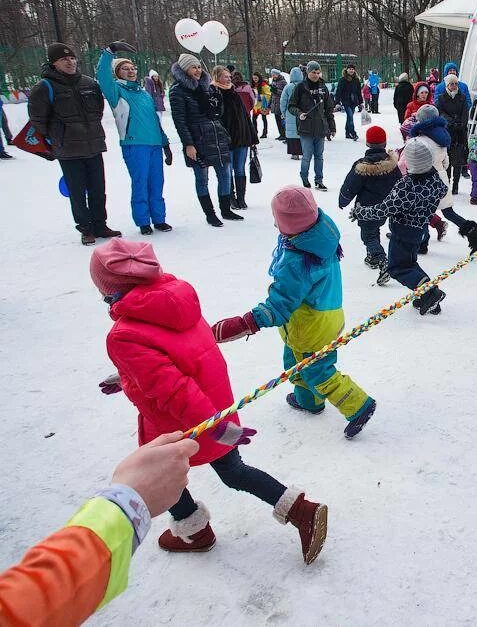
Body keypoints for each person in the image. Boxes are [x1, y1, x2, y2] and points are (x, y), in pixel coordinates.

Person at [91, 238, 329, 564]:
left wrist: (219, 429)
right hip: (214, 405)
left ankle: (196, 530)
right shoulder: (174, 298)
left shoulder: (125, 333)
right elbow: (177, 358)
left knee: (162, 474)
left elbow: (174, 389)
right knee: (233, 472)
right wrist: (127, 375)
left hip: (181, 423)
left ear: (111, 289)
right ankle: (299, 511)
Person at [212, 186, 378, 437]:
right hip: (325, 314)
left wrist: (247, 322)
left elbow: (280, 303)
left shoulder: (297, 260)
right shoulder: (320, 234)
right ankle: (309, 401)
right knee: (293, 361)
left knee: (315, 368)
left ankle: (358, 404)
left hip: (309, 324)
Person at [0, 432, 198, 625]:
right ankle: (196, 528)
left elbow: (27, 606)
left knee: (219, 474)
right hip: (163, 443)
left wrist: (128, 503)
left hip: (171, 444)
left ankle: (196, 529)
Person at [28, 42, 121, 245]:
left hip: (93, 145)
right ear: (54, 63)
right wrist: (56, 137)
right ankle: (85, 228)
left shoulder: (88, 83)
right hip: (68, 149)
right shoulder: (44, 87)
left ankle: (100, 224)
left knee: (98, 188)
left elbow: (98, 108)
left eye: (72, 58)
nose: (70, 62)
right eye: (64, 59)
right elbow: (38, 120)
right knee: (77, 191)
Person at [353, 138, 449, 315]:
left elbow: (384, 209)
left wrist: (361, 212)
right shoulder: (435, 178)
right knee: (409, 263)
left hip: (403, 231)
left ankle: (430, 293)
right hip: (420, 229)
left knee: (397, 268)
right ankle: (427, 296)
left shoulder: (406, 186)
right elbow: (443, 190)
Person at [96, 44, 172, 236]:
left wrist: (165, 143)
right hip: (135, 144)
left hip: (154, 144)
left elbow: (154, 120)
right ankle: (143, 220)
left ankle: (159, 218)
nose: (130, 71)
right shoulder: (117, 91)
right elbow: (102, 77)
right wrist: (109, 52)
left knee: (157, 182)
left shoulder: (144, 93)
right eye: (125, 68)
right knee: (141, 182)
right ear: (117, 73)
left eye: (133, 68)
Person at [407, 104, 477, 255]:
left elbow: (413, 163)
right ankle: (476, 235)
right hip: (441, 179)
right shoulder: (441, 136)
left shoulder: (419, 140)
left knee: (422, 212)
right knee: (448, 212)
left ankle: (422, 243)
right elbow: (445, 162)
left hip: (425, 180)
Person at [169, 53, 238, 227]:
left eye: (199, 67)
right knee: (202, 179)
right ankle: (210, 214)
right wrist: (189, 144)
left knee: (224, 175)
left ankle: (226, 209)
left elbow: (217, 113)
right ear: (184, 69)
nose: (198, 70)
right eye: (193, 67)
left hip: (216, 136)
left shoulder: (207, 87)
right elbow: (180, 121)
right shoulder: (178, 91)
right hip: (198, 139)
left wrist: (218, 101)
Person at [339, 125, 399, 274]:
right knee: (374, 229)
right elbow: (399, 183)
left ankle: (381, 259)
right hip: (386, 207)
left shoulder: (362, 167)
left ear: (367, 143)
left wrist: (343, 200)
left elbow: (350, 186)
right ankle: (372, 257)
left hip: (366, 209)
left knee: (368, 235)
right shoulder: (392, 165)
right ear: (384, 144)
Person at [211, 65, 258, 212]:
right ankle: (230, 197)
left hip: (242, 137)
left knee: (240, 168)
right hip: (226, 139)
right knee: (227, 169)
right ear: (217, 77)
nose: (229, 79)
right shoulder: (214, 93)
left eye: (229, 77)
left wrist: (252, 137)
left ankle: (241, 198)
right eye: (225, 76)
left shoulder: (234, 92)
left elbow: (245, 116)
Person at [288, 60, 336, 191]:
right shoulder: (300, 87)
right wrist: (299, 113)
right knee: (307, 155)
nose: (316, 75)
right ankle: (304, 176)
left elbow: (328, 108)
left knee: (319, 156)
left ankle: (319, 180)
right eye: (313, 72)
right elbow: (291, 106)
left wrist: (332, 127)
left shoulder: (323, 87)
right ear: (308, 72)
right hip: (306, 128)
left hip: (320, 127)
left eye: (318, 72)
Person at [437, 74, 471, 195]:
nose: (454, 86)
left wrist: (460, 124)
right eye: (452, 83)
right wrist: (450, 122)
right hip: (447, 133)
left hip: (459, 134)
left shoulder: (462, 98)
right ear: (447, 85)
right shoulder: (441, 98)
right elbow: (440, 112)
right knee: (447, 161)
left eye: (456, 83)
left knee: (457, 161)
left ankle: (456, 185)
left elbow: (465, 114)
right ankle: (447, 184)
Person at [335, 63, 363, 141]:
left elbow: (358, 92)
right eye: (350, 69)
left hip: (354, 101)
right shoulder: (343, 79)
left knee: (349, 118)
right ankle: (353, 133)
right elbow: (338, 91)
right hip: (346, 101)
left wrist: (361, 102)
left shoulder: (356, 80)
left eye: (353, 69)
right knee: (350, 117)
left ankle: (347, 133)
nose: (351, 70)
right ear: (347, 70)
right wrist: (337, 102)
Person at [281, 67, 304, 161]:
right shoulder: (304, 86)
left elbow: (283, 101)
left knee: (292, 132)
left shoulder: (287, 87)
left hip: (290, 112)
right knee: (302, 132)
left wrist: (283, 112)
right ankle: (304, 151)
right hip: (302, 112)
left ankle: (294, 153)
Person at [250, 72, 271, 138]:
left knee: (264, 119)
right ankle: (255, 132)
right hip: (255, 105)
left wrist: (260, 96)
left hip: (263, 105)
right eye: (253, 78)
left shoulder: (264, 85)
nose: (254, 79)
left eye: (256, 78)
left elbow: (268, 94)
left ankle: (265, 133)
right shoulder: (253, 85)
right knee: (254, 119)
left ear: (259, 77)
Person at [270, 69, 288, 141]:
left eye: (274, 74)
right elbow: (272, 94)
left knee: (282, 121)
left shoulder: (283, 82)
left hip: (280, 104)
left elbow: (285, 92)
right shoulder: (273, 81)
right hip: (275, 104)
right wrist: (269, 104)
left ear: (278, 74)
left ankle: (285, 135)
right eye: (272, 75)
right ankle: (281, 134)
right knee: (277, 120)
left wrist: (276, 90)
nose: (273, 76)